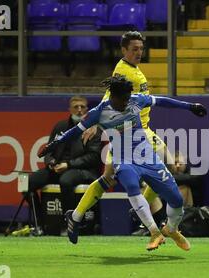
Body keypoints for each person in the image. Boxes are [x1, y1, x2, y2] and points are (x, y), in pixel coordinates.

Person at [38, 76, 207, 251]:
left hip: (147, 157)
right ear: (113, 96)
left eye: (128, 98)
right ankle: (154, 232)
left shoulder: (136, 100)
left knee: (176, 200)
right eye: (123, 99)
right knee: (132, 186)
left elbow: (162, 101)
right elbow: (74, 131)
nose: (127, 103)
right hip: (123, 159)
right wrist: (54, 144)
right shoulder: (99, 112)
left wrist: (190, 107)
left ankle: (171, 229)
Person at [75, 31, 175, 224]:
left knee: (108, 178)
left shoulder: (131, 68)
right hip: (133, 132)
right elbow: (108, 97)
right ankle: (140, 209)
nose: (139, 53)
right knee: (164, 167)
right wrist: (95, 122)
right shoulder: (124, 71)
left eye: (141, 49)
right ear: (124, 50)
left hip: (139, 131)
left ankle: (76, 215)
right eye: (134, 49)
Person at [28, 96, 102, 228]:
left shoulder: (92, 129)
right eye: (76, 107)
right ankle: (39, 222)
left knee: (66, 180)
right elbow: (49, 150)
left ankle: (70, 222)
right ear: (70, 109)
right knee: (28, 182)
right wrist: (50, 162)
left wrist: (68, 164)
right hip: (58, 168)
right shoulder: (60, 126)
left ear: (87, 109)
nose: (79, 110)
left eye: (82, 107)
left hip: (84, 170)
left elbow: (93, 157)